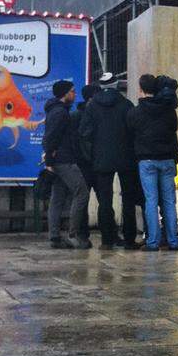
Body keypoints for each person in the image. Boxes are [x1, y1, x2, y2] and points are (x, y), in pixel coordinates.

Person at [80, 72, 141, 250]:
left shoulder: (92, 107)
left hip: (101, 159)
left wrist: (92, 154)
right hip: (126, 158)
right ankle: (129, 239)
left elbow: (84, 133)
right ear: (116, 85)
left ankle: (107, 240)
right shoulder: (126, 104)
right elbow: (134, 130)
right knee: (128, 199)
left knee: (104, 200)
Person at [128, 74, 178, 252]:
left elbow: (131, 131)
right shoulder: (169, 110)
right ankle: (173, 241)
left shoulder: (136, 112)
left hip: (147, 161)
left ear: (141, 90)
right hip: (167, 159)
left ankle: (152, 242)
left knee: (151, 201)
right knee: (169, 202)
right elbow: (173, 130)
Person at [43, 79, 90, 249]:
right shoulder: (60, 113)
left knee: (58, 198)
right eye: (72, 91)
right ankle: (73, 234)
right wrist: (49, 159)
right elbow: (51, 137)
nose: (74, 94)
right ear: (65, 94)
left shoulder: (56, 110)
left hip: (59, 160)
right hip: (64, 161)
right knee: (82, 192)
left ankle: (54, 236)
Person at [71, 83, 101, 241]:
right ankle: (84, 233)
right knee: (99, 197)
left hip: (85, 163)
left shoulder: (76, 115)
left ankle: (83, 234)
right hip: (90, 162)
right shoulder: (88, 116)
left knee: (86, 198)